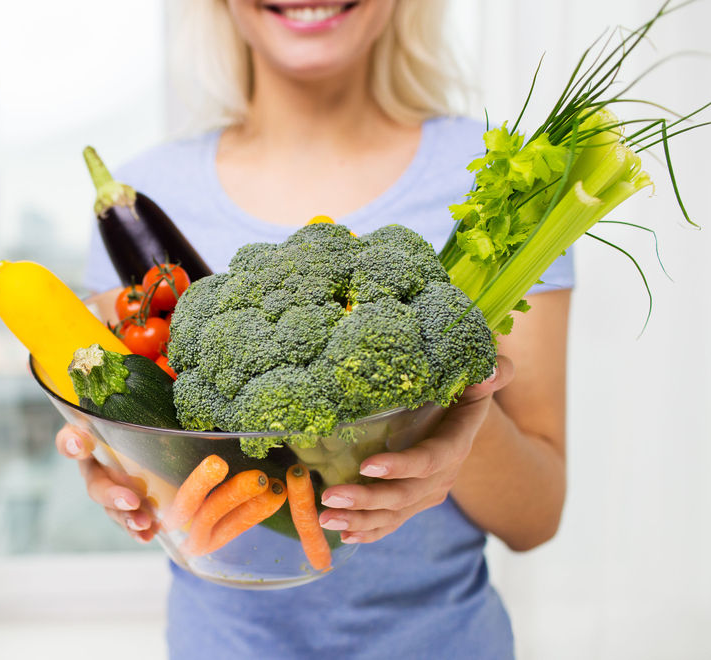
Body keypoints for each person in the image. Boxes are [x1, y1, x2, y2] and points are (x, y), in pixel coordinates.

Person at [56, 1, 571, 657]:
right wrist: (113, 455)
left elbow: (537, 517)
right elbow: (162, 479)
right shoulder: (144, 195)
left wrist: (458, 419)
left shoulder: (497, 176)